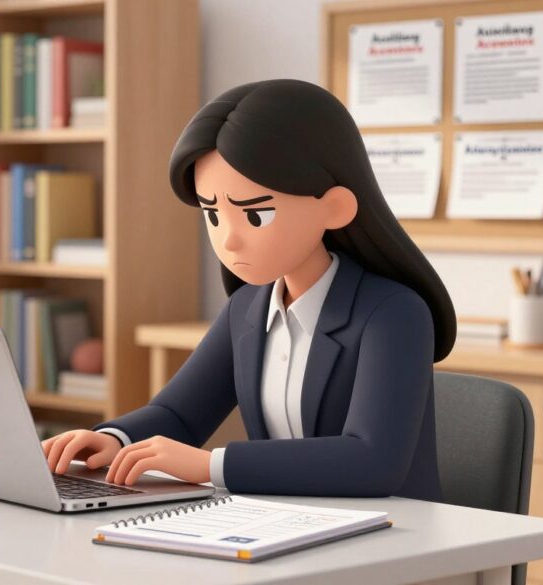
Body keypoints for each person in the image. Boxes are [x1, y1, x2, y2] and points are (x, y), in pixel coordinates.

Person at [41, 79, 456, 501]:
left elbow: (373, 462)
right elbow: (180, 414)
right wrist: (116, 439)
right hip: (284, 520)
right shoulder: (247, 308)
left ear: (335, 207)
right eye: (213, 215)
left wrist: (211, 466)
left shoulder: (393, 313)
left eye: (256, 216)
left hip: (395, 527)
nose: (229, 240)